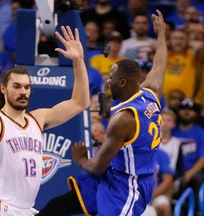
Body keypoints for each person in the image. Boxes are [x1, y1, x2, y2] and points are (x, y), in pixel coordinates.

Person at [37, 9, 167, 216]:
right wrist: (161, 35)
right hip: (112, 175)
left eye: (112, 77)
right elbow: (160, 65)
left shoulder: (124, 119)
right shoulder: (151, 92)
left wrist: (80, 159)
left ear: (122, 82)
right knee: (55, 207)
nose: (108, 80)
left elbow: (96, 166)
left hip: (129, 187)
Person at [0, 25, 90, 215]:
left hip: (24, 209)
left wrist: (78, 61)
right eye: (16, 86)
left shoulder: (38, 119)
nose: (23, 91)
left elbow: (80, 102)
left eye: (26, 87)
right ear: (3, 89)